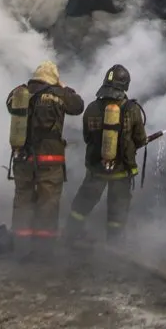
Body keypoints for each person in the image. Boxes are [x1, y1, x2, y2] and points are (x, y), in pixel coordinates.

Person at [6, 60, 84, 255]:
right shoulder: (59, 94)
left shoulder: (19, 93)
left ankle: (21, 248)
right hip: (50, 159)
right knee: (47, 202)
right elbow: (78, 106)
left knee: (23, 199)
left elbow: (10, 107)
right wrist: (64, 87)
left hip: (22, 157)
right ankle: (43, 250)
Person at [65, 64, 148, 246]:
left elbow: (87, 137)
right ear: (125, 85)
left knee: (83, 203)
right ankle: (114, 243)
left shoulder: (92, 108)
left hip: (96, 168)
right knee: (118, 207)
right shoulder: (132, 109)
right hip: (121, 171)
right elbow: (141, 140)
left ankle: (70, 234)